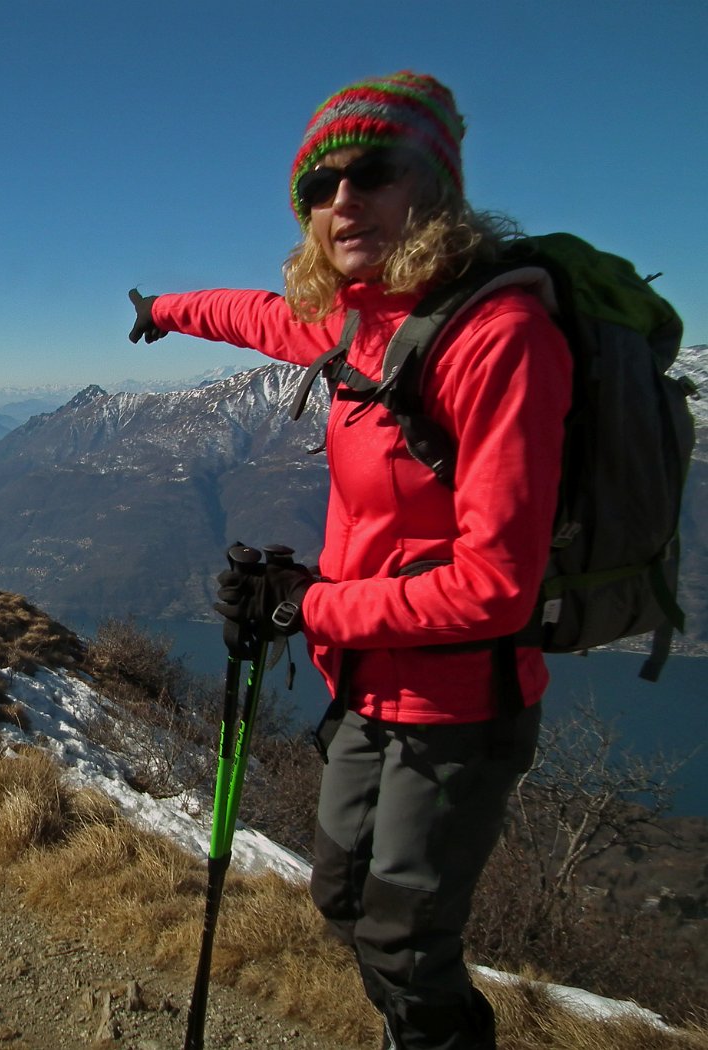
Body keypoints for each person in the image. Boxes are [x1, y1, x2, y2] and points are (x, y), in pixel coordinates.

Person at [128, 72, 572, 1050]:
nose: (340, 201)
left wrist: (307, 609)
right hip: (365, 685)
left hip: (459, 711)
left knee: (406, 943)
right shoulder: (358, 321)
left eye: (368, 173)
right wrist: (162, 308)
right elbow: (256, 316)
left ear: (431, 187)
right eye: (315, 188)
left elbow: (497, 589)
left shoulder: (499, 338)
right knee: (337, 893)